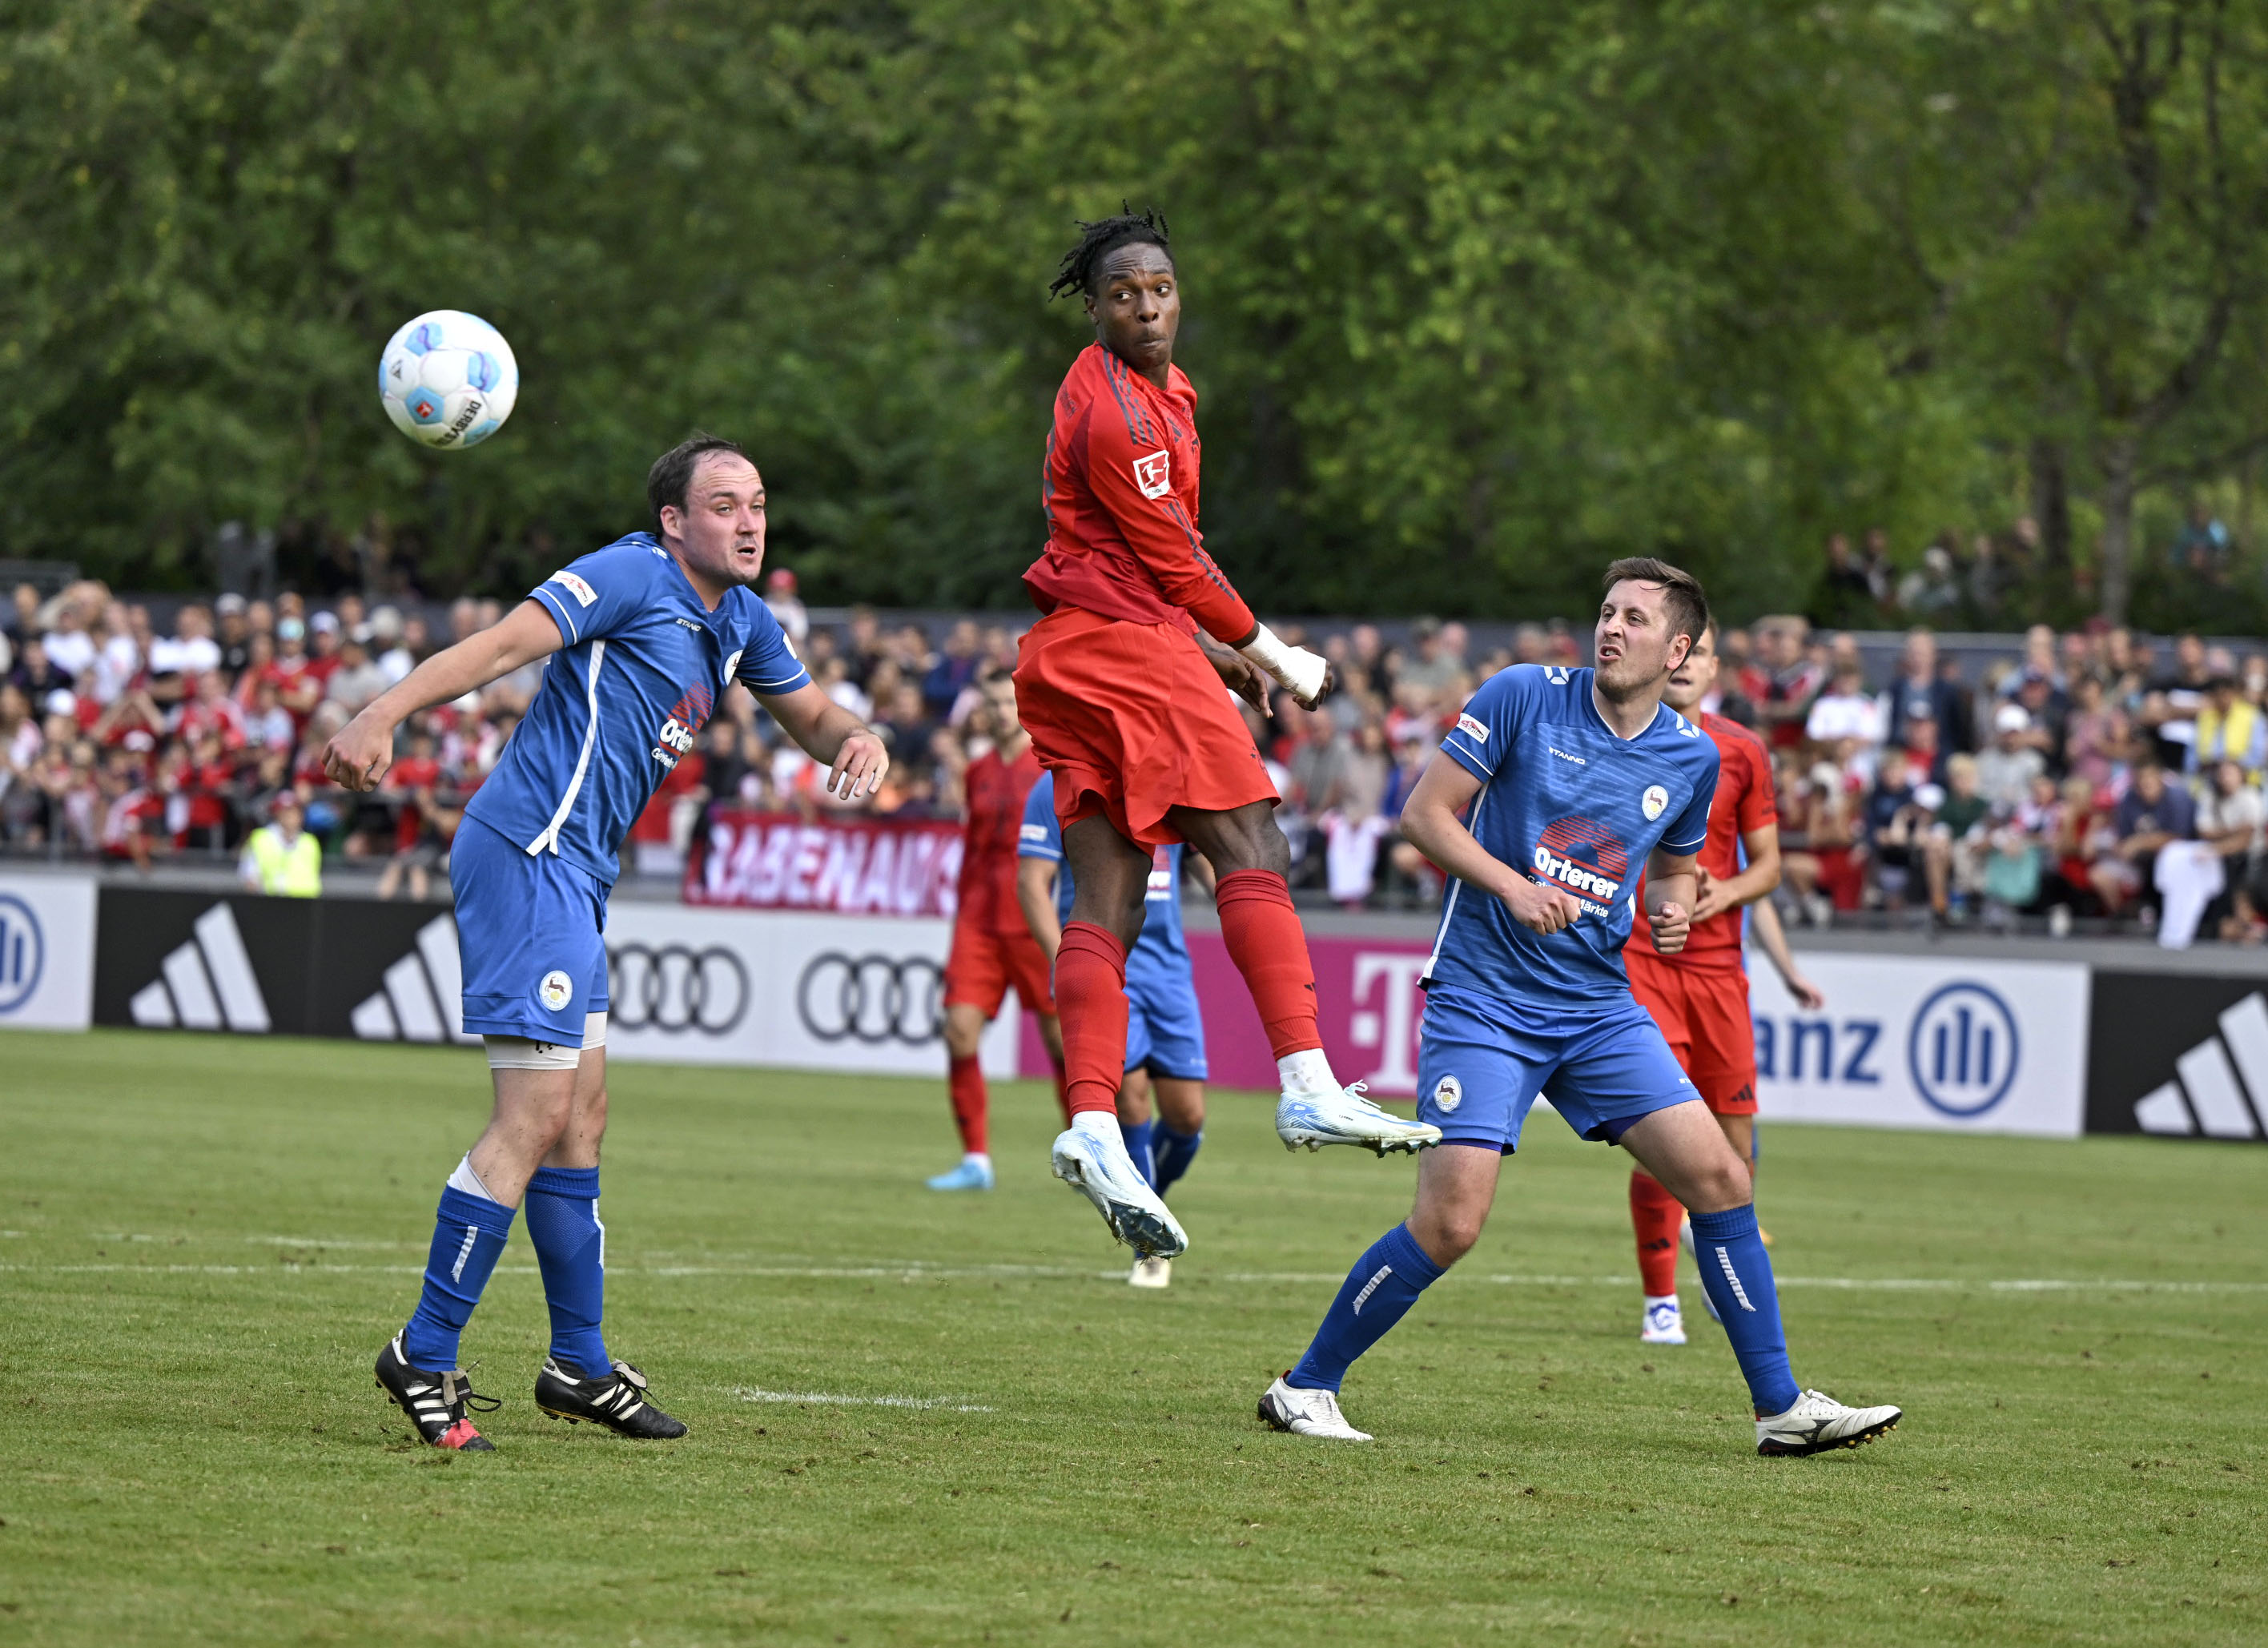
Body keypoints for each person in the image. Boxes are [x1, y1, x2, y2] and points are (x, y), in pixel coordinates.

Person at [1257, 560, 1900, 1457]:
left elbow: (1676, 866)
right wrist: (1514, 888)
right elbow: (1425, 816)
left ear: (1677, 649)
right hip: (1485, 997)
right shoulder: (1524, 694)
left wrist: (1675, 908)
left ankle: (1781, 1409)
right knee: (1451, 1223)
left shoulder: (1692, 756)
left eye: (1636, 619)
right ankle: (1305, 1386)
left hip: (1597, 1006)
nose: (1612, 628)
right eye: (1607, 613)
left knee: (1720, 1180)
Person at [322, 435, 887, 1453]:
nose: (749, 521)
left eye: (758, 502)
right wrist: (383, 712)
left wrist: (859, 733)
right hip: (528, 853)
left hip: (578, 875)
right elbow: (500, 646)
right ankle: (424, 1351)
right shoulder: (630, 573)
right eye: (723, 504)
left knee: (581, 1121)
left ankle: (577, 1364)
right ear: (676, 521)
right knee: (533, 1118)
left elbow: (810, 716)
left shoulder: (741, 619)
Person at [1012, 207, 1437, 1260]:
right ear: (1098, 307)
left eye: (1160, 288)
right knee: (1251, 840)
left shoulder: (1153, 388)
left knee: (1105, 897)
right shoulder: (1121, 415)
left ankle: (1094, 1125)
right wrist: (1279, 654)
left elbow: (1146, 569)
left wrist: (1224, 655)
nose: (1147, 306)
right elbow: (1177, 565)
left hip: (1081, 647)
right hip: (1123, 650)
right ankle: (1304, 1080)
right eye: (1125, 294)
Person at [1619, 621, 1823, 1349]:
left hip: (1719, 973)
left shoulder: (1742, 751)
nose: (1684, 664)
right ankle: (1659, 1298)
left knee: (1735, 1146)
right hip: (1644, 962)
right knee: (1662, 1134)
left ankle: (1719, 1258)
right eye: (1676, 650)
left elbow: (1767, 869)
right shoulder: (1620, 739)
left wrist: (1726, 892)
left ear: (1713, 670)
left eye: (1698, 653)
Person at [1018, 769, 1211, 1288]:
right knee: (1130, 1102)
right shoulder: (1055, 783)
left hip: (1169, 973)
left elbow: (1205, 855)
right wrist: (1066, 962)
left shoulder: (1172, 775)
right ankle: (1150, 1246)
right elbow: (1033, 882)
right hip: (1103, 964)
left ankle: (1148, 1203)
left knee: (1188, 1118)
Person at [925, 670, 1066, 1193]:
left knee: (1060, 1045)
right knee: (958, 1032)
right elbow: (973, 847)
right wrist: (961, 914)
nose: (1002, 712)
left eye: (1009, 702)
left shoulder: (1051, 767)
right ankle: (976, 1160)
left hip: (1033, 921)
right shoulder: (978, 770)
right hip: (979, 922)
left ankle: (1085, 1151)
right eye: (993, 704)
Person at [237, 790, 322, 896]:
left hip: (306, 904)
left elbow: (314, 874)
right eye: (285, 812)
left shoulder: (310, 842)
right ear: (276, 814)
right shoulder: (261, 839)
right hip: (271, 903)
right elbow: (249, 876)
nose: (290, 816)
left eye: (294, 811)